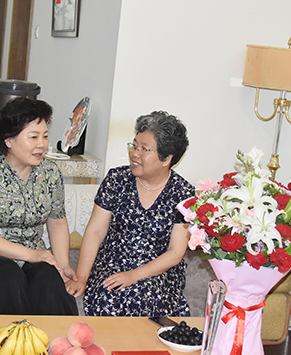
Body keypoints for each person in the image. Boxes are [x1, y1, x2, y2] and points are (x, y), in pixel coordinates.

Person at [0, 97, 78, 315]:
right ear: (9, 140)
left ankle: (60, 338)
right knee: (8, 276)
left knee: (49, 281)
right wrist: (31, 255)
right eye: (33, 137)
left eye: (45, 136)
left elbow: (57, 222)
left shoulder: (51, 173)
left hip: (33, 252)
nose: (42, 144)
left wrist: (63, 264)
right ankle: (10, 338)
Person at [65, 111, 194, 316]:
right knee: (109, 296)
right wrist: (81, 277)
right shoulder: (117, 179)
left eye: (144, 149)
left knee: (144, 296)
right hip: (112, 263)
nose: (134, 154)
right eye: (134, 146)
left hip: (156, 270)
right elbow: (95, 232)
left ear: (166, 159)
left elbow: (175, 252)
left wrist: (134, 275)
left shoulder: (183, 193)